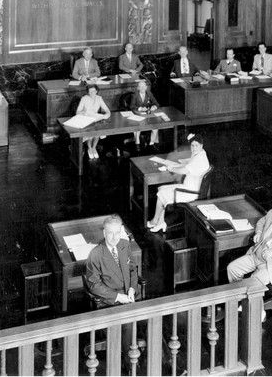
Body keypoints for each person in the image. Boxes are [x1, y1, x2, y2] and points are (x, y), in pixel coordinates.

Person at [84, 215, 142, 356]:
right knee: (128, 323)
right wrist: (118, 297)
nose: (114, 237)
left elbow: (133, 269)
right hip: (110, 301)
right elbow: (94, 285)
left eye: (117, 233)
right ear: (104, 233)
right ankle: (131, 365)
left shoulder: (124, 244)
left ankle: (169, 363)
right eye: (110, 233)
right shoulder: (96, 254)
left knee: (155, 318)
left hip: (131, 295)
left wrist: (132, 288)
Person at [146, 133, 210, 233]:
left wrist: (171, 168)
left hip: (191, 192)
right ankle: (160, 221)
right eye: (192, 145)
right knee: (161, 189)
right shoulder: (201, 154)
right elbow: (190, 165)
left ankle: (155, 221)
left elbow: (184, 170)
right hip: (188, 186)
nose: (194, 148)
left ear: (201, 145)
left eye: (196, 146)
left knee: (162, 193)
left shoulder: (200, 159)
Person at [76, 84, 111, 159]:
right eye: (90, 91)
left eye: (94, 91)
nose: (93, 93)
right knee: (91, 135)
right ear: (88, 92)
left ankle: (94, 147)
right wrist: (84, 113)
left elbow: (107, 109)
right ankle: (89, 148)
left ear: (96, 91)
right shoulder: (84, 99)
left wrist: (107, 114)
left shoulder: (99, 98)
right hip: (86, 119)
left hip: (96, 119)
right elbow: (77, 112)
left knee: (97, 134)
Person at [130, 80, 160, 149]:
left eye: (144, 86)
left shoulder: (149, 93)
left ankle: (152, 143)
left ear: (146, 87)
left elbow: (157, 103)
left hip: (148, 115)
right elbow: (131, 106)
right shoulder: (135, 95)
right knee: (138, 126)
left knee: (155, 125)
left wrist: (154, 107)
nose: (142, 88)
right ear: (138, 88)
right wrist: (140, 108)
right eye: (141, 87)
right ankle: (137, 143)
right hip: (138, 115)